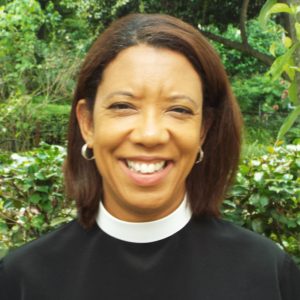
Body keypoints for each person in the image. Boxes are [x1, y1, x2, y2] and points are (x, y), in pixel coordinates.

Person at [0, 13, 299, 300]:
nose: (150, 134)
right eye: (123, 106)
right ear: (87, 123)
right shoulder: (24, 279)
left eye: (179, 110)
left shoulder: (266, 273)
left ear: (203, 131)